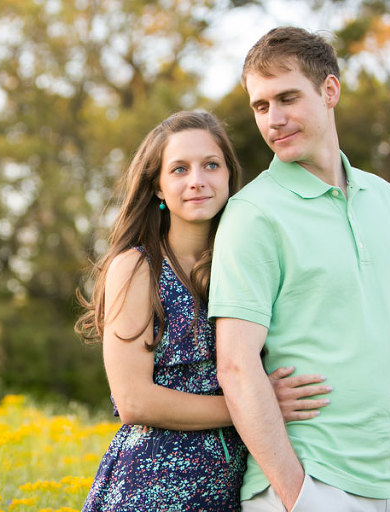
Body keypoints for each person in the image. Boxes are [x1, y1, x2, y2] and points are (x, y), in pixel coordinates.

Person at [208, 27, 390, 511]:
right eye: (261, 106)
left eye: (287, 98)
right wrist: (299, 497)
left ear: (329, 91)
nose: (274, 119)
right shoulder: (253, 214)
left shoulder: (384, 198)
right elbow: (236, 364)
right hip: (316, 483)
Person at [75, 111, 334, 511]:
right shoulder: (137, 267)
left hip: (234, 489)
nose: (197, 180)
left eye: (211, 165)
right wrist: (257, 404)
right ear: (158, 188)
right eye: (179, 169)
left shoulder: (249, 263)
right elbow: (133, 400)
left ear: (229, 176)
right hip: (150, 489)